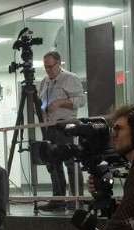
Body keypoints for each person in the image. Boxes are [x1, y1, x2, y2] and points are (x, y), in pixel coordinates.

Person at [38, 51, 86, 213]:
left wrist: (61, 102)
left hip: (66, 125)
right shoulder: (44, 82)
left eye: (51, 66)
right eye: (46, 67)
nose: (48, 70)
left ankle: (76, 199)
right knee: (52, 162)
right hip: (50, 126)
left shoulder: (70, 78)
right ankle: (58, 199)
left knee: (71, 162)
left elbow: (81, 100)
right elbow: (43, 103)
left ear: (59, 64)